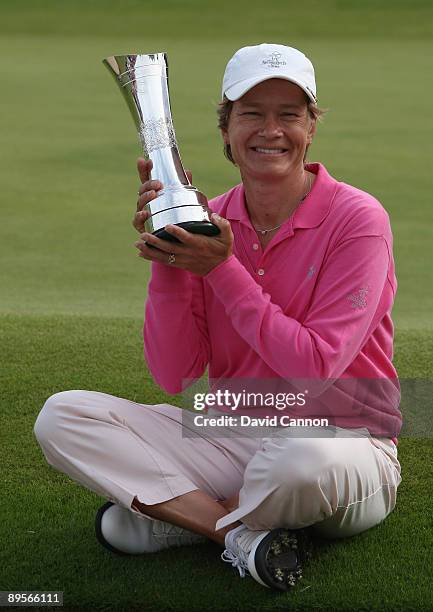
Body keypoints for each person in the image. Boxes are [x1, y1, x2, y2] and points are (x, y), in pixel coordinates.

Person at [33, 43, 402, 592]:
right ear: (227, 129)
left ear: (311, 128)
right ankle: (238, 535)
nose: (270, 130)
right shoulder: (212, 221)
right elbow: (174, 374)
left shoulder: (358, 219)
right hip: (233, 430)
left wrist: (222, 268)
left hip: (344, 440)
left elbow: (315, 364)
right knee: (62, 417)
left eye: (289, 115)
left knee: (293, 467)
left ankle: (188, 517)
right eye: (252, 113)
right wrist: (173, 259)